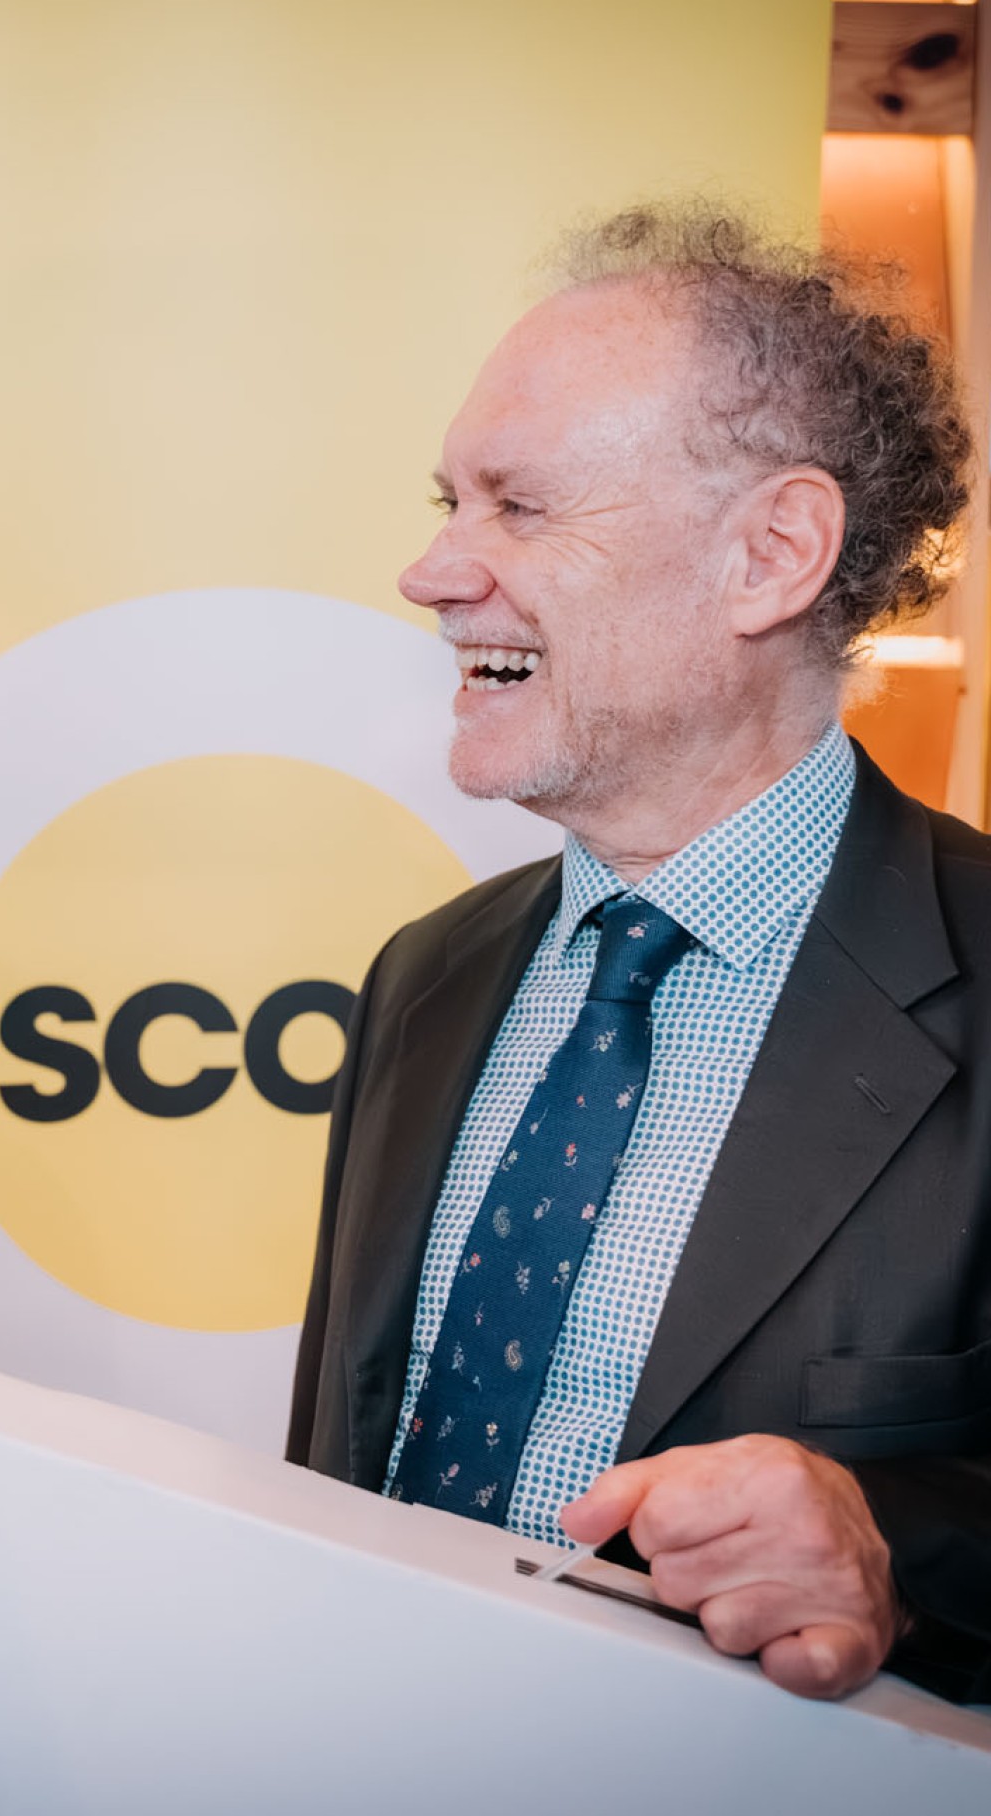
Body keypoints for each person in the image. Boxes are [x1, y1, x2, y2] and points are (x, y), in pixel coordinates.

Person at [288, 205, 990, 1707]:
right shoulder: (426, 978)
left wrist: (892, 1547)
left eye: (521, 507)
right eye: (450, 502)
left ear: (772, 555)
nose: (432, 572)